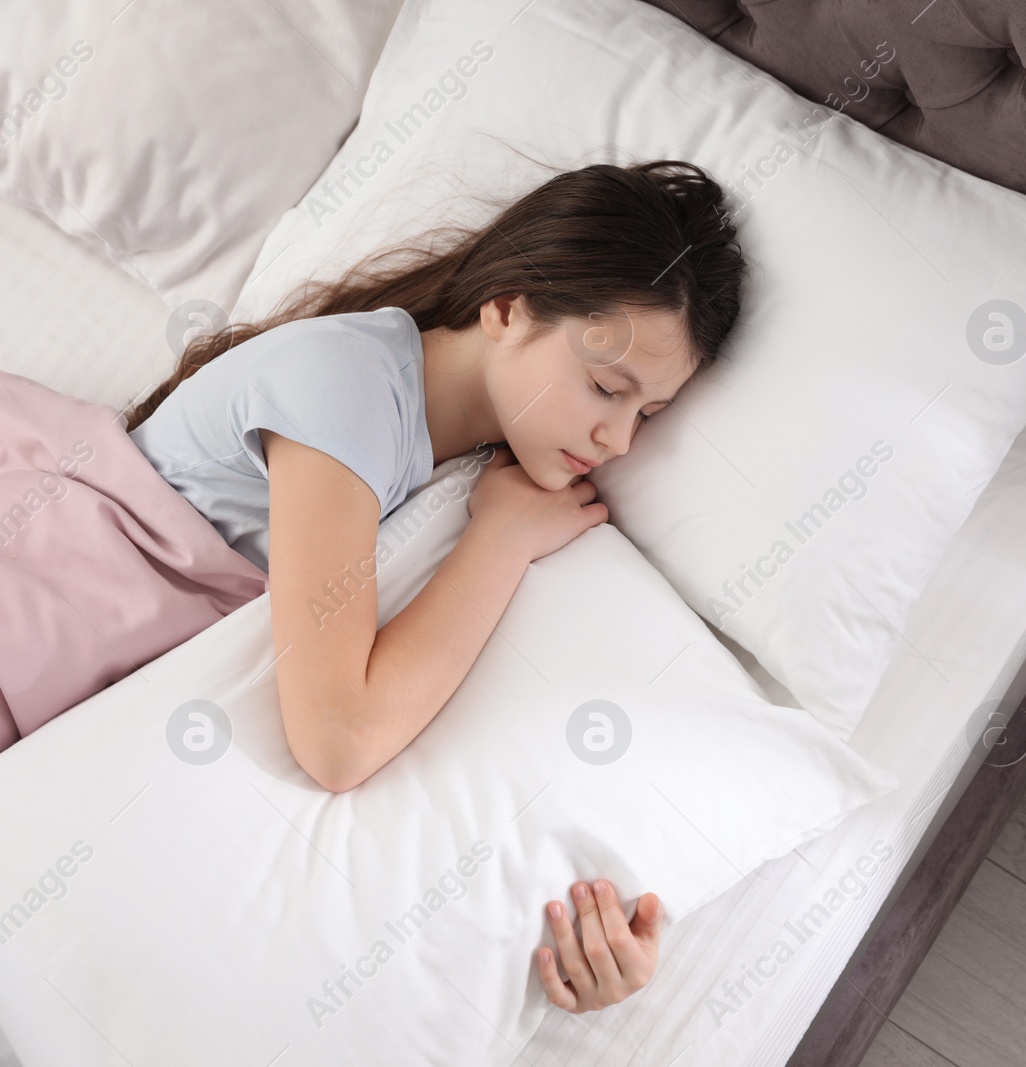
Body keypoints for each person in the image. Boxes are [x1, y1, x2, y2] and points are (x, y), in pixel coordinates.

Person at [122, 159, 749, 1014]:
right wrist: (498, 541)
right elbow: (339, 738)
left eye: (649, 413)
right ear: (506, 308)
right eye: (607, 387)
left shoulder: (470, 446)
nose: (619, 439)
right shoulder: (347, 394)